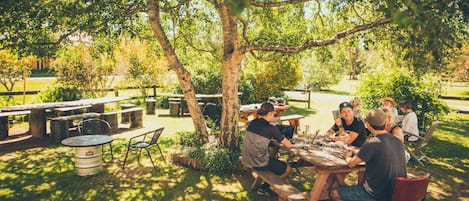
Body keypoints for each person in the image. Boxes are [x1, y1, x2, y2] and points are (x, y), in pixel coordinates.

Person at [330, 109, 407, 201]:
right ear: (385, 122)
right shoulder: (397, 141)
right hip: (397, 193)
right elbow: (380, 154)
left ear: (368, 125)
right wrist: (357, 152)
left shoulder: (372, 143)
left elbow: (351, 164)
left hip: (376, 195)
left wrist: (346, 156)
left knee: (334, 193)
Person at [241, 102, 293, 196]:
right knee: (288, 168)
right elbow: (288, 145)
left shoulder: (253, 122)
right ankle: (265, 188)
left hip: (247, 159)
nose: (274, 115)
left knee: (272, 160)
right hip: (259, 162)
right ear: (270, 113)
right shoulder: (271, 128)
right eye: (274, 113)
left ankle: (264, 187)